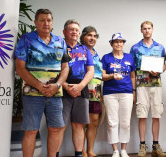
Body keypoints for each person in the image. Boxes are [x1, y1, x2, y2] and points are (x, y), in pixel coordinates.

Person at [15, 9, 70, 157]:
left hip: (55, 93)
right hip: (32, 94)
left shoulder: (60, 41)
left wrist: (57, 85)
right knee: (31, 130)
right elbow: (20, 68)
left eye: (49, 20)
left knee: (55, 129)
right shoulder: (26, 39)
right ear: (35, 23)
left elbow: (65, 68)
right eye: (42, 20)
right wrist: (39, 86)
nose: (46, 23)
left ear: (52, 23)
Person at [130, 21, 166, 157]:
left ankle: (156, 146)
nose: (147, 31)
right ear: (141, 30)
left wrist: (159, 71)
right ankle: (142, 146)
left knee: (156, 115)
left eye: (149, 28)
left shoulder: (160, 47)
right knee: (142, 115)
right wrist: (133, 89)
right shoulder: (135, 48)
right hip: (141, 86)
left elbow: (164, 65)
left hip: (156, 85)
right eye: (144, 29)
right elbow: (132, 70)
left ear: (152, 30)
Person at [58, 20, 94, 157]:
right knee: (59, 126)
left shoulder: (84, 49)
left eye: (76, 30)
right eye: (71, 29)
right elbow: (54, 70)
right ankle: (54, 153)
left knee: (78, 125)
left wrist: (80, 86)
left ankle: (79, 154)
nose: (74, 32)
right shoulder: (58, 47)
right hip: (62, 88)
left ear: (79, 33)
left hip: (81, 89)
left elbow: (90, 71)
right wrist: (66, 86)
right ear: (64, 32)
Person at [101, 33, 136, 157]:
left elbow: (133, 76)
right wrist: (112, 76)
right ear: (111, 44)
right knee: (112, 122)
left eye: (121, 42)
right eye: (116, 42)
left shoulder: (129, 57)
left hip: (126, 92)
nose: (118, 44)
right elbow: (102, 76)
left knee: (125, 122)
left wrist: (134, 91)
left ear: (123, 44)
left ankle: (124, 150)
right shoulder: (106, 58)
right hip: (110, 93)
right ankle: (115, 150)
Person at [80, 26, 103, 157]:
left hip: (96, 92)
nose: (92, 38)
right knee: (81, 122)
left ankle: (90, 151)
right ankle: (82, 151)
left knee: (94, 121)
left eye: (94, 36)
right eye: (89, 35)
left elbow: (99, 74)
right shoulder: (79, 51)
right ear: (83, 37)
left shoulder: (96, 53)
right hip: (82, 91)